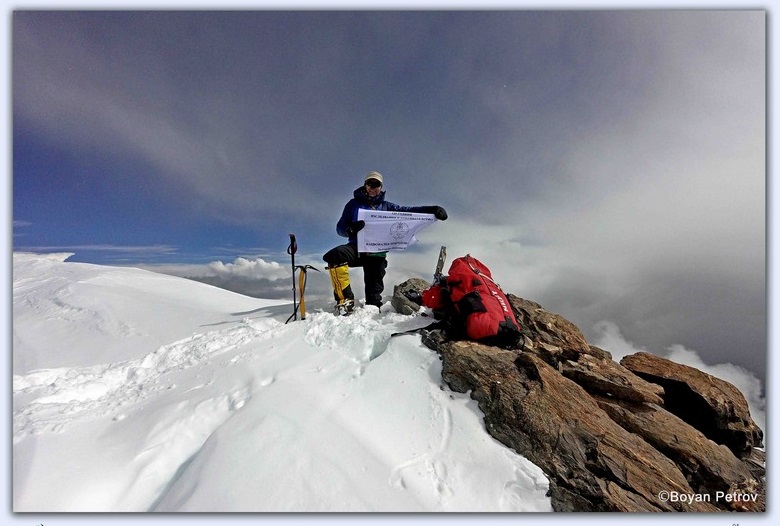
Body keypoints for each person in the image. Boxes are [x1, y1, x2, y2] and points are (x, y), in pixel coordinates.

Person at [323, 171, 448, 314]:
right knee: (335, 256)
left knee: (374, 301)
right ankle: (345, 300)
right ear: (365, 185)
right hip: (357, 248)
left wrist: (432, 210)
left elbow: (408, 212)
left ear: (381, 187)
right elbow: (340, 228)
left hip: (377, 254)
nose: (373, 187)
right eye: (370, 184)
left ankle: (374, 305)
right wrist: (350, 229)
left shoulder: (387, 206)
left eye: (376, 185)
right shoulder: (353, 205)